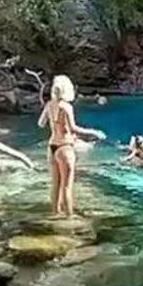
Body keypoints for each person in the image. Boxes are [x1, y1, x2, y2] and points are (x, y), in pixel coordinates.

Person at [37, 75, 105, 216]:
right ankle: (69, 217)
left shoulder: (49, 105)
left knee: (55, 184)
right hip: (65, 147)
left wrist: (54, 123)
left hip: (52, 146)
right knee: (67, 186)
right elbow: (73, 128)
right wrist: (94, 132)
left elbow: (41, 124)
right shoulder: (66, 107)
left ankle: (55, 213)